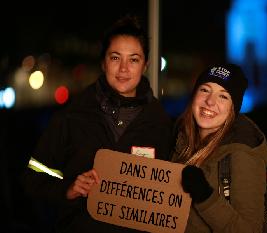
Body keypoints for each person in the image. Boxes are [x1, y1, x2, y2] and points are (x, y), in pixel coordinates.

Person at [21, 15, 173, 233]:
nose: (123, 68)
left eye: (133, 59)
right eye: (115, 58)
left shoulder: (160, 123)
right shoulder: (73, 116)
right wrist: (68, 188)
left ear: (145, 65)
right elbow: (31, 179)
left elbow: (171, 193)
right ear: (103, 62)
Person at [172, 63, 267, 233]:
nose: (210, 101)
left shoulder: (242, 154)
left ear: (233, 109)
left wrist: (205, 197)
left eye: (223, 96)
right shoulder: (180, 141)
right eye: (205, 90)